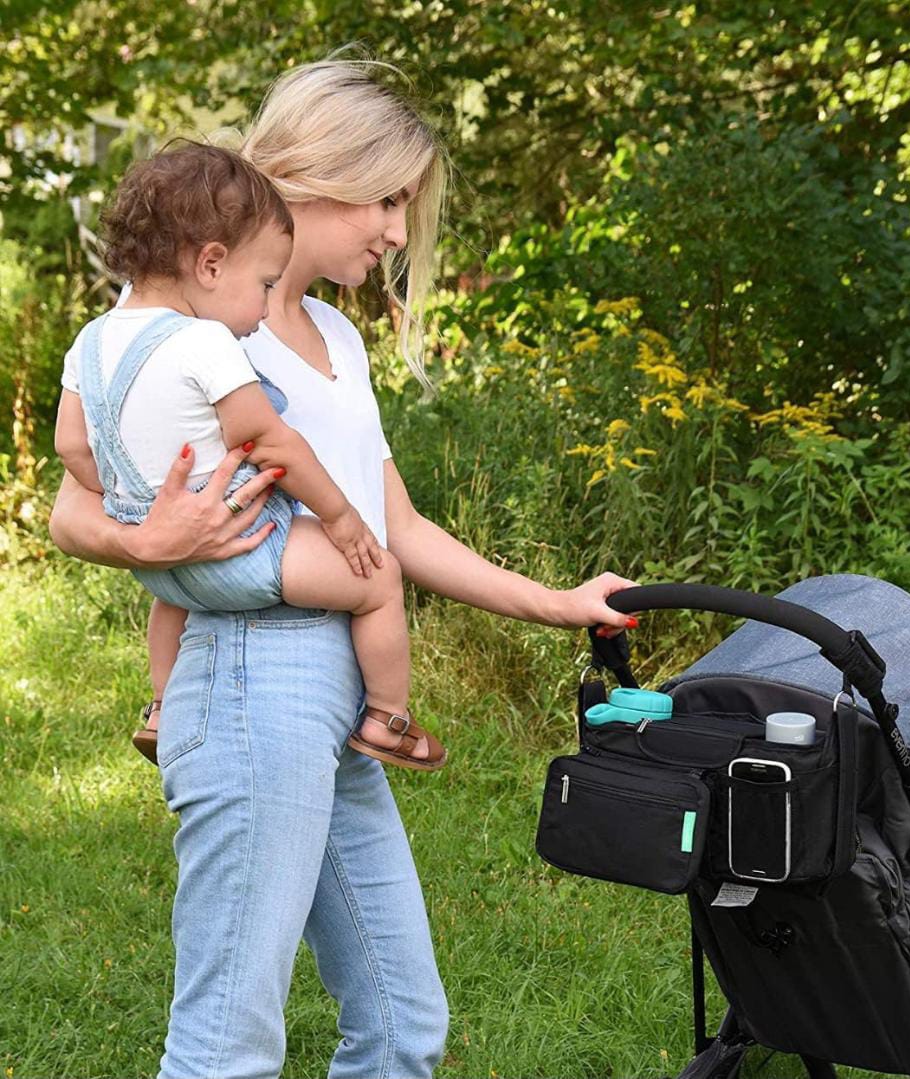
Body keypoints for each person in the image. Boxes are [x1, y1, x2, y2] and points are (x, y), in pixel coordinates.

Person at [48, 56, 637, 1079]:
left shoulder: (330, 337)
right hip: (246, 686)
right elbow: (73, 500)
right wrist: (148, 543)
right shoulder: (195, 325)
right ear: (315, 174)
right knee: (227, 1041)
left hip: (336, 702)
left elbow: (390, 523)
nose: (398, 233)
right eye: (387, 200)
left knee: (405, 1024)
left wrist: (559, 602)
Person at [54, 140, 443, 772]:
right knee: (378, 581)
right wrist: (343, 519)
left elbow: (73, 445)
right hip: (247, 545)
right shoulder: (205, 342)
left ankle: (163, 707)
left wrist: (139, 499)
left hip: (158, 556)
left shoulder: (91, 340)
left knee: (175, 600)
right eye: (262, 285)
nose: (264, 309)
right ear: (210, 264)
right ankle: (387, 716)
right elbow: (273, 443)